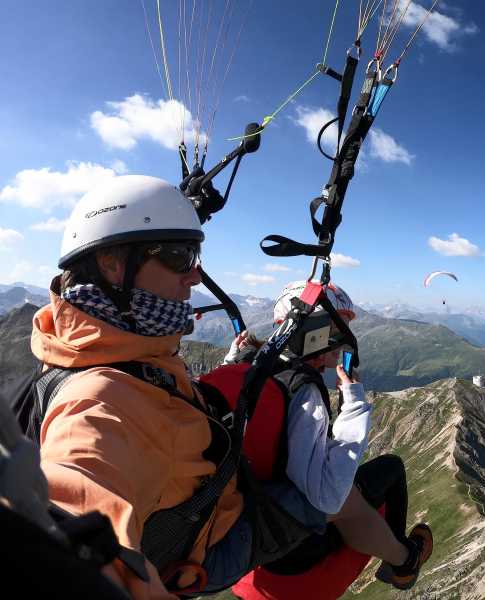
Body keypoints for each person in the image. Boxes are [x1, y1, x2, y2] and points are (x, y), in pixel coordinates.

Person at [31, 175, 307, 600]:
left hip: (202, 499)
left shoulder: (126, 341)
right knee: (317, 499)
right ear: (111, 265)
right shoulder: (94, 403)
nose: (195, 276)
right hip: (204, 549)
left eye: (194, 254)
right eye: (180, 257)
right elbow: (78, 489)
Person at [222, 280, 433, 592]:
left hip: (254, 514)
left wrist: (231, 359)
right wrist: (354, 402)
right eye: (338, 331)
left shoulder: (256, 368)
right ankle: (404, 563)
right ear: (315, 333)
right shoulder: (303, 390)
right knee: (390, 469)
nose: (342, 342)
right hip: (294, 545)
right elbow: (327, 496)